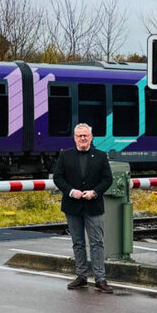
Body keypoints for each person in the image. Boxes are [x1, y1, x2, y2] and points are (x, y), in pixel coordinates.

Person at [52, 123, 113, 293]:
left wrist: (94, 192)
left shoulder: (101, 156)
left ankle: (100, 279)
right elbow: (58, 177)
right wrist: (71, 192)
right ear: (74, 138)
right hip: (72, 206)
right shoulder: (65, 155)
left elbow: (107, 179)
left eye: (86, 135)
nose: (83, 138)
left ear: (91, 137)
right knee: (78, 243)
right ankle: (81, 276)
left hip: (94, 205)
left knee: (97, 243)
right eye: (79, 136)